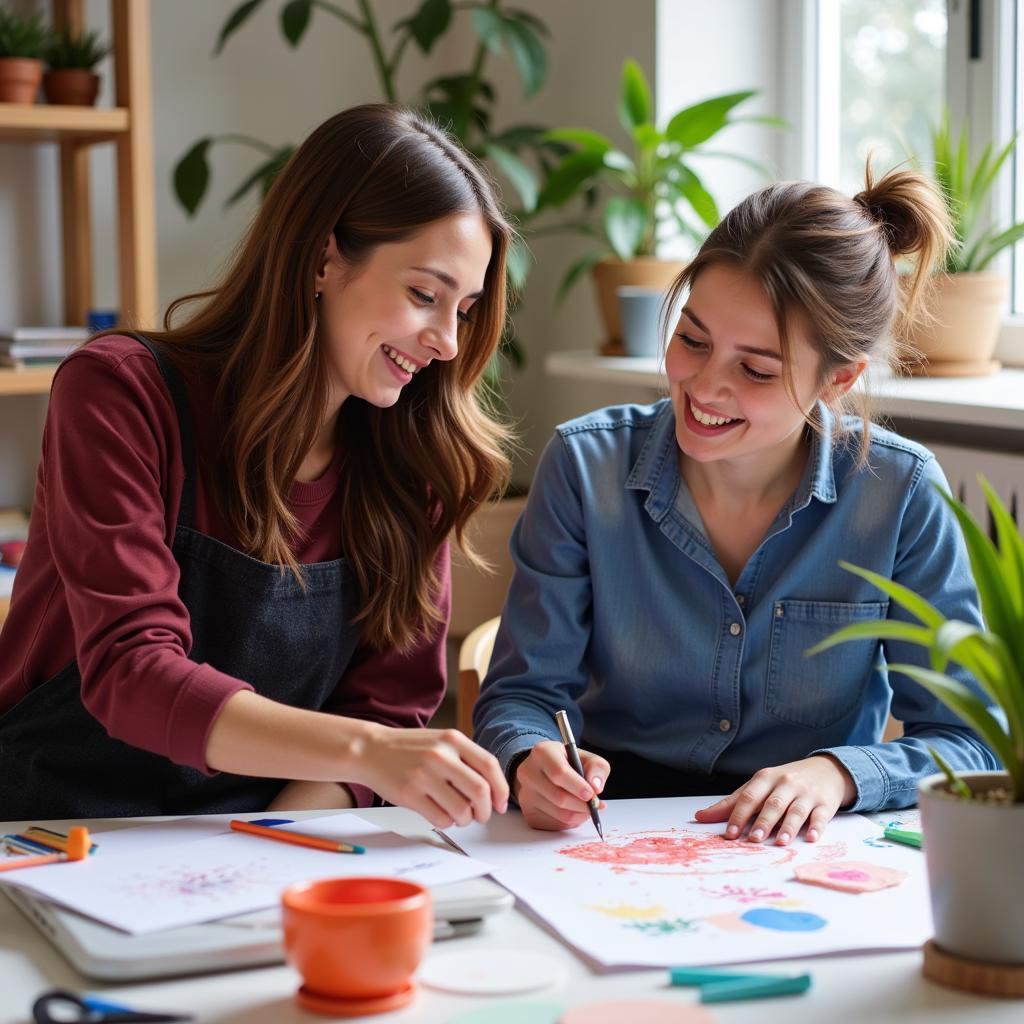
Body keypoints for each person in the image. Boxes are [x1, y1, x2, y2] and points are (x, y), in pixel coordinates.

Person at [0, 103, 513, 825]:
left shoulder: (414, 461)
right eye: (424, 295)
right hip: (61, 828)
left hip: (266, 837)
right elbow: (132, 672)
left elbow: (387, 705)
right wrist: (367, 752)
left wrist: (266, 852)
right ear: (321, 258)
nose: (448, 344)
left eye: (463, 310)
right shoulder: (120, 392)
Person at [474, 167, 999, 843]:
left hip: (802, 843)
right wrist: (529, 759)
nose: (705, 386)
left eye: (755, 369)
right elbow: (521, 698)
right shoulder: (586, 467)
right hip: (607, 835)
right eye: (692, 339)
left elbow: (969, 745)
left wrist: (836, 775)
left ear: (839, 379)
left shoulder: (900, 495)